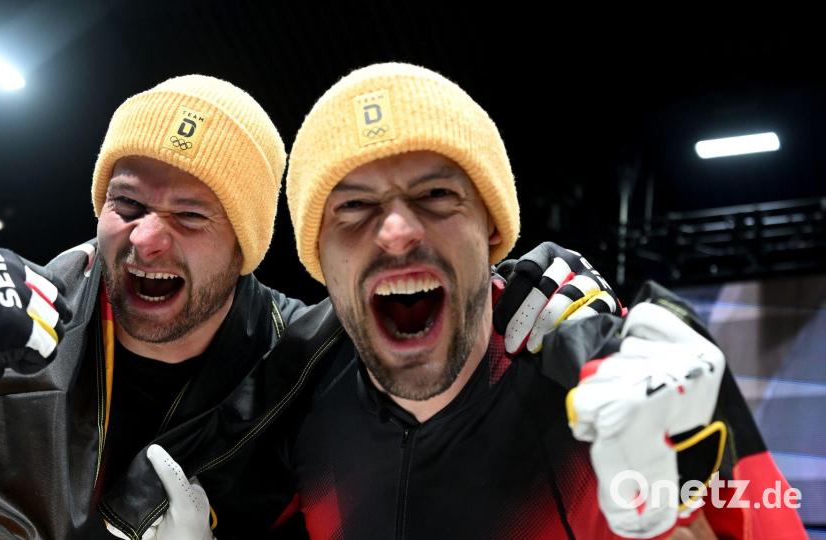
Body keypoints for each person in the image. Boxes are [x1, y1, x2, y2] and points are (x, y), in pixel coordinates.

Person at [0, 73, 608, 540]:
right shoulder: (19, 332)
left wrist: (543, 282)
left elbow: (449, 299)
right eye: (126, 204)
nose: (148, 239)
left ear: (246, 247)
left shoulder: (307, 361)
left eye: (192, 216)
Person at [124, 63, 804, 540]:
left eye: (436, 196)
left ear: (493, 231)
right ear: (320, 263)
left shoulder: (611, 387)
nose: (396, 231)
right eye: (354, 207)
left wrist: (718, 501)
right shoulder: (296, 407)